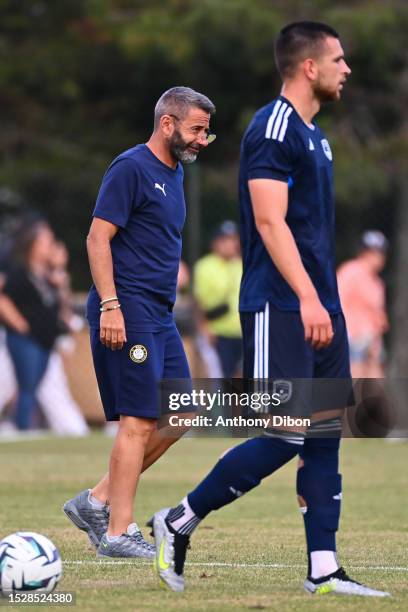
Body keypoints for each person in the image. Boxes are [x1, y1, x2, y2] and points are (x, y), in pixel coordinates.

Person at [150, 23, 389, 597]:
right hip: (279, 305)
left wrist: (325, 301)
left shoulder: (317, 137)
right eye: (338, 58)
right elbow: (268, 221)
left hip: (318, 305)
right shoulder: (273, 128)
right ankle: (178, 519)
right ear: (309, 67)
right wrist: (307, 297)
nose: (345, 69)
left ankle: (324, 569)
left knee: (326, 433)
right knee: (286, 433)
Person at [63, 87, 216, 558]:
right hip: (126, 310)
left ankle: (96, 501)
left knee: (183, 412)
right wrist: (110, 305)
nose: (202, 140)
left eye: (206, 132)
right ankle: (116, 532)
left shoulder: (174, 174)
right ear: (167, 124)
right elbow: (96, 239)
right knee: (140, 419)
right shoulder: (130, 168)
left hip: (159, 313)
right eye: (196, 130)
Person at [0, 218, 63, 430]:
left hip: (44, 340)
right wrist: (20, 325)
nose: (50, 245)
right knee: (26, 387)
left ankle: (22, 426)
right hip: (25, 340)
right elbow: (3, 297)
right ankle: (22, 429)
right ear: (32, 243)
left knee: (33, 388)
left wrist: (59, 271)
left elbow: (61, 307)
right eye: (46, 240)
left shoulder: (47, 275)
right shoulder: (19, 271)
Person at [194, 221, 242, 377]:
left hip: (242, 333)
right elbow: (198, 302)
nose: (230, 244)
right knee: (221, 378)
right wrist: (204, 329)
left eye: (233, 239)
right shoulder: (205, 266)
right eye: (225, 239)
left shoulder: (242, 264)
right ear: (215, 242)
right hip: (219, 333)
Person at [337, 231, 389, 377]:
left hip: (372, 340)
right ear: (363, 252)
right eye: (372, 252)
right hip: (353, 337)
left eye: (380, 253)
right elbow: (339, 302)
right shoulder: (350, 271)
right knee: (354, 383)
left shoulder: (377, 283)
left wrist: (376, 342)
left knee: (375, 384)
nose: (377, 257)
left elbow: (377, 317)